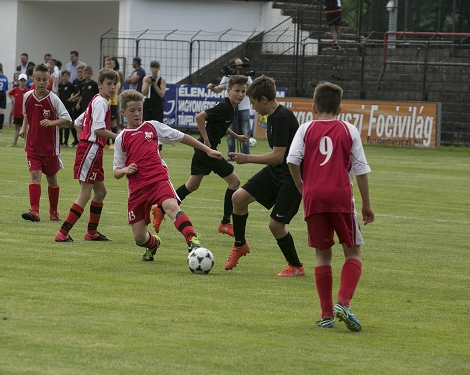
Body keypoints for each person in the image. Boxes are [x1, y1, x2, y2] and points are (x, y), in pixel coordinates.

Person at [286, 81, 374, 330]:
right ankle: (343, 303)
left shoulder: (305, 129)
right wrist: (367, 205)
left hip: (314, 197)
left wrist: (302, 187)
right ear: (340, 108)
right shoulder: (349, 130)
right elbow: (361, 170)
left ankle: (326, 316)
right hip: (340, 197)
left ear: (314, 107)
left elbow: (292, 161)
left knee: (322, 254)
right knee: (353, 251)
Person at [114, 89, 223, 260]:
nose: (137, 114)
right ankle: (154, 244)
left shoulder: (152, 126)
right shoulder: (121, 138)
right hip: (137, 188)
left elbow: (182, 137)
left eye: (140, 110)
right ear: (123, 113)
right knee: (139, 238)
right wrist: (125, 170)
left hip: (158, 179)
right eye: (132, 111)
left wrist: (207, 149)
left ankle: (192, 241)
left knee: (171, 207)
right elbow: (116, 171)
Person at [224, 76, 304, 276]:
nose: (252, 108)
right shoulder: (273, 116)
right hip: (277, 171)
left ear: (263, 99)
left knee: (276, 226)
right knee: (238, 198)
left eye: (252, 103)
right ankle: (240, 245)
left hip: (293, 176)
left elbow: (278, 156)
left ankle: (296, 267)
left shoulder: (283, 117)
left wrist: (247, 158)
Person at [159, 75, 248, 236]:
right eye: (237, 91)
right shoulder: (224, 106)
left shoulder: (230, 107)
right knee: (234, 182)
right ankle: (226, 223)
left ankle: (160, 209)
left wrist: (236, 136)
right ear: (228, 91)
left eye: (243, 91)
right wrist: (206, 141)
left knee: (192, 185)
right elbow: (200, 117)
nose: (240, 94)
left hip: (204, 151)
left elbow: (221, 124)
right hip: (209, 151)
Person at [54, 68, 118, 243]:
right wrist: (119, 138)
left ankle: (91, 232)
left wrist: (85, 138)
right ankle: (63, 232)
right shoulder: (102, 102)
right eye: (109, 84)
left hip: (92, 150)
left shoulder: (96, 100)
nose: (112, 88)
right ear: (100, 84)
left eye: (114, 84)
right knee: (85, 193)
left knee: (101, 192)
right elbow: (98, 129)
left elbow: (77, 122)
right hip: (91, 150)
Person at [19, 64, 72, 222]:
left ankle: (53, 212)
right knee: (35, 175)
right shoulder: (27, 96)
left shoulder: (54, 98)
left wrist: (51, 122)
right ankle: (34, 211)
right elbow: (27, 114)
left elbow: (67, 119)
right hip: (33, 146)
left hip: (50, 149)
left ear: (49, 80)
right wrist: (23, 128)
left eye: (44, 80)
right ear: (33, 80)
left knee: (52, 180)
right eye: (38, 79)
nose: (41, 82)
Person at [207, 57, 253, 158]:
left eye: (241, 65)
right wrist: (212, 87)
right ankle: (231, 154)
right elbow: (219, 88)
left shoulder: (245, 75)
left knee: (245, 131)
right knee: (229, 130)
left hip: (244, 106)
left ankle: (246, 154)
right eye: (237, 65)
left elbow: (251, 87)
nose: (239, 67)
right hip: (231, 107)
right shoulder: (227, 75)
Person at [104, 57, 122, 148]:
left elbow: (116, 88)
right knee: (105, 121)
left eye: (110, 63)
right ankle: (106, 142)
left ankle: (114, 142)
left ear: (114, 65)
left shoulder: (116, 75)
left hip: (113, 102)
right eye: (107, 64)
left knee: (112, 121)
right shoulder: (103, 75)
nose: (108, 65)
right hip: (105, 102)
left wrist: (110, 96)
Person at [8, 73, 30, 146]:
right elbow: (9, 94)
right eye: (21, 80)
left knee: (26, 128)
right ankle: (14, 142)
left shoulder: (28, 91)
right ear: (18, 81)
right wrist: (13, 99)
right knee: (17, 128)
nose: (22, 82)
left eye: (24, 81)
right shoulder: (15, 89)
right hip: (17, 112)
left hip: (24, 114)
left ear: (26, 81)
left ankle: (26, 143)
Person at [57, 69, 76, 147]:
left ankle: (65, 142)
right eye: (63, 76)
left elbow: (75, 93)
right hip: (61, 106)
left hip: (68, 106)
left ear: (69, 77)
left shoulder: (71, 85)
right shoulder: (60, 85)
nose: (64, 77)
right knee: (60, 124)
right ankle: (60, 142)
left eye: (66, 76)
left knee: (67, 124)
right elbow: (58, 94)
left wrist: (72, 98)